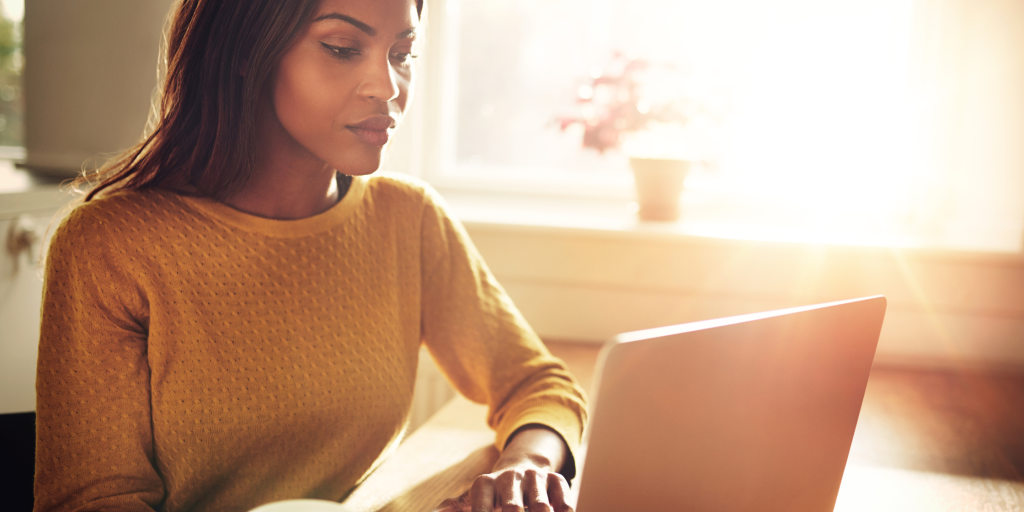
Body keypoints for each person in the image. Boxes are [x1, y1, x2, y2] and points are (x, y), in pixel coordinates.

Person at [33, 1, 588, 511]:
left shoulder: (408, 219)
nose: (387, 85)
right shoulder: (108, 246)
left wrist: (527, 467)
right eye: (343, 48)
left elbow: (538, 387)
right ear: (249, 50)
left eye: (403, 54)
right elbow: (94, 498)